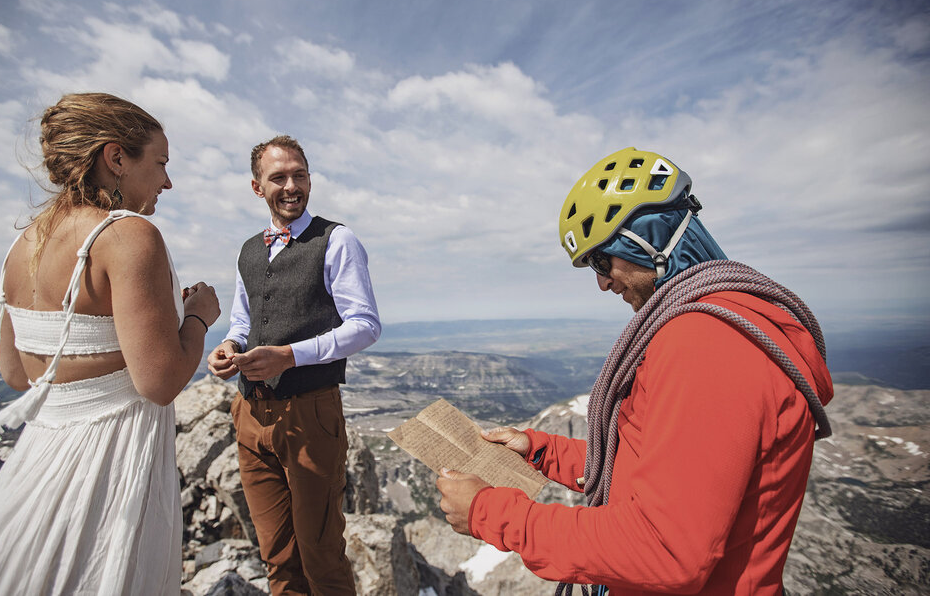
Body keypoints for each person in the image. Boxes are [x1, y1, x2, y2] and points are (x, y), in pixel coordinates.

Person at [437, 147, 833, 596]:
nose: (602, 283)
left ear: (648, 236)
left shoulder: (708, 343)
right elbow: (655, 464)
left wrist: (487, 512)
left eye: (601, 261)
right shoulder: (726, 322)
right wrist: (540, 449)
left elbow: (665, 549)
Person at [0, 93, 220, 595]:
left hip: (42, 456)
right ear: (116, 158)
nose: (168, 182)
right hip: (114, 458)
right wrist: (196, 318)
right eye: (161, 163)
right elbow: (161, 382)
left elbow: (19, 376)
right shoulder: (130, 235)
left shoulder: (21, 247)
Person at [208, 135, 380, 595]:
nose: (291, 186)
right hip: (249, 416)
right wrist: (228, 344)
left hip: (310, 415)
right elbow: (242, 318)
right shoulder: (248, 249)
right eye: (278, 177)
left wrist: (289, 355)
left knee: (321, 555)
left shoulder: (336, 240)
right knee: (278, 557)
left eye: (299, 175)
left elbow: (365, 325)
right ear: (256, 186)